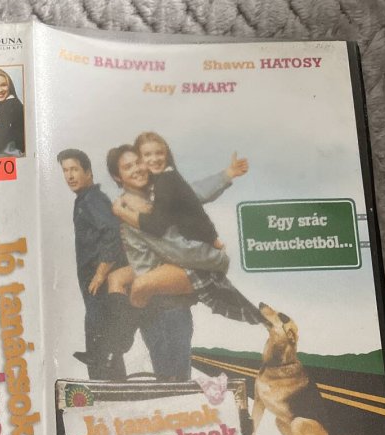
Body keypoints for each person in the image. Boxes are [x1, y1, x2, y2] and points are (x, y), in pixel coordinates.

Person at [107, 144, 260, 381]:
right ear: (118, 176)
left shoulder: (160, 192)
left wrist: (226, 175)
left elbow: (196, 193)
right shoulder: (124, 204)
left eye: (138, 162)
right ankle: (116, 350)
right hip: (153, 301)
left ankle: (118, 345)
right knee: (163, 376)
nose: (137, 168)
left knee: (175, 378)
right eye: (128, 167)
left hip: (176, 290)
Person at [57, 148, 138, 380]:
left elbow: (112, 232)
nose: (69, 176)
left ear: (88, 172)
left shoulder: (93, 199)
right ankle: (110, 386)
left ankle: (110, 389)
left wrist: (101, 274)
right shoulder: (84, 200)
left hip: (102, 283)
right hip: (94, 285)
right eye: (65, 171)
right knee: (100, 343)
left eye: (74, 169)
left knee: (102, 344)